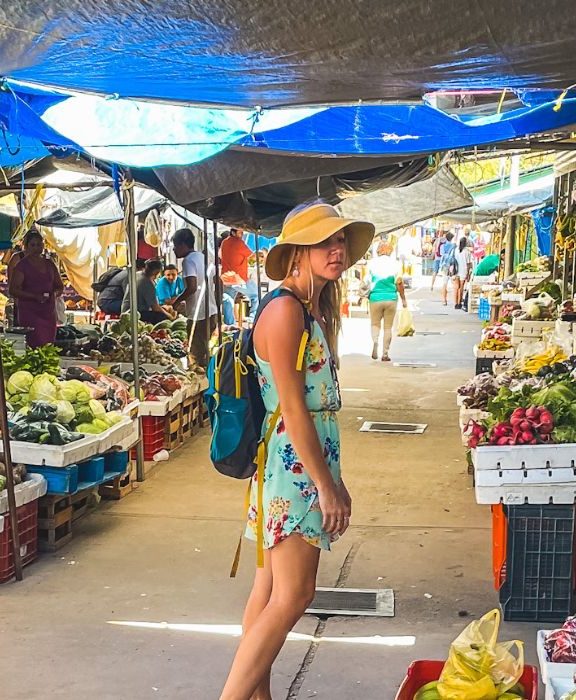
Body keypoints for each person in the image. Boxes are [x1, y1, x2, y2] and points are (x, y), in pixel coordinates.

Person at [220, 202, 373, 700]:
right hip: (291, 469)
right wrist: (325, 486)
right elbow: (293, 409)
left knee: (268, 591)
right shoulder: (285, 310)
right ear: (297, 253)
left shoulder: (302, 308)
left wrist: (335, 477)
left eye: (340, 242)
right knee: (294, 594)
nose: (337, 250)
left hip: (288, 465)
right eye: (324, 242)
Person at [172, 228, 219, 369]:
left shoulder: (188, 261)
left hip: (198, 315)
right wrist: (217, 303)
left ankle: (203, 387)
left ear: (182, 245)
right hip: (211, 311)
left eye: (175, 246)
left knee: (195, 356)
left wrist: (176, 302)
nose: (174, 250)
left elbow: (192, 287)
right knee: (206, 351)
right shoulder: (204, 257)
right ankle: (209, 383)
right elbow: (219, 281)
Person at [9, 230, 63, 347]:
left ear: (43, 246)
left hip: (48, 312)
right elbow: (13, 290)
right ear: (26, 246)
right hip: (30, 312)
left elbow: (59, 286)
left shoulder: (49, 263)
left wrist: (54, 295)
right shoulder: (22, 266)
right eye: (32, 245)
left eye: (39, 244)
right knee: (35, 343)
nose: (36, 248)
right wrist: (34, 296)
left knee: (48, 345)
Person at [365, 241, 407, 361]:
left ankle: (375, 341)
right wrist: (403, 299)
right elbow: (399, 282)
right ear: (390, 251)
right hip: (391, 298)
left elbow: (366, 281)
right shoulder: (396, 264)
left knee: (375, 324)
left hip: (375, 298)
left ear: (378, 250)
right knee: (388, 327)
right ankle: (385, 354)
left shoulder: (371, 263)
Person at [221, 228, 258, 317]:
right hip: (238, 278)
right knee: (256, 295)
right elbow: (252, 256)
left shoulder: (224, 242)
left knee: (228, 300)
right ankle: (252, 319)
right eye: (240, 232)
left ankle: (229, 324)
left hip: (226, 277)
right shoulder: (238, 243)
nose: (242, 234)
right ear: (233, 232)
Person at [125, 259, 175, 325]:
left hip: (127, 309)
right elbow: (155, 308)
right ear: (157, 272)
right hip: (136, 313)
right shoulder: (147, 283)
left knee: (163, 310)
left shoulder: (138, 274)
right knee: (162, 317)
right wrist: (169, 316)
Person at [452, 234, 473, 310]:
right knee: (461, 287)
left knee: (456, 288)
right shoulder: (467, 251)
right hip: (463, 271)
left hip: (456, 270)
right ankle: (459, 303)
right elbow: (469, 264)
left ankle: (455, 303)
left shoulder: (456, 250)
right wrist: (469, 272)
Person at [437, 232, 456, 300]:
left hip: (444, 266)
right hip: (451, 266)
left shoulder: (442, 246)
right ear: (451, 238)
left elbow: (442, 255)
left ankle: (444, 300)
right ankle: (455, 300)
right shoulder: (454, 246)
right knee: (454, 283)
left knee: (444, 283)